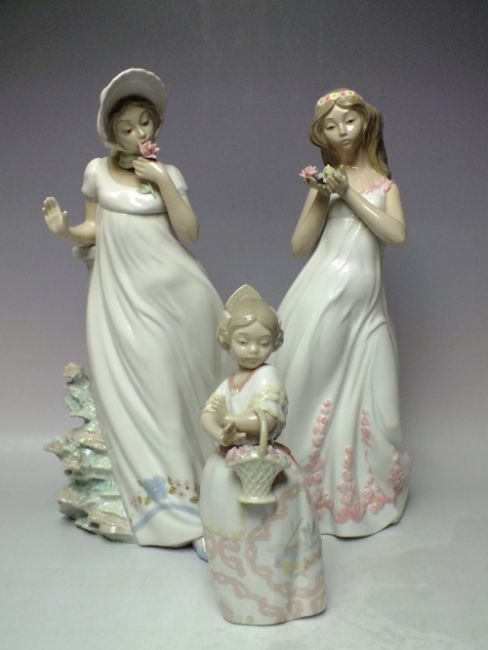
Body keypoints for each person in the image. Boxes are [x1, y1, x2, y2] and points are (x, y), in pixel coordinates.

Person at [43, 68, 227, 552]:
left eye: (145, 123)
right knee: (147, 393)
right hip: (124, 299)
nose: (138, 133)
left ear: (156, 124)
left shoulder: (170, 174)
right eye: (126, 127)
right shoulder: (96, 171)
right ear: (111, 132)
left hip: (177, 295)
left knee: (177, 393)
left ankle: (201, 499)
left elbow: (189, 232)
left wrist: (162, 180)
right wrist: (64, 230)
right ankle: (170, 511)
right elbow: (94, 230)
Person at [274, 89, 410, 537]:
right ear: (322, 136)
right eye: (331, 127)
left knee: (380, 406)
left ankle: (368, 494)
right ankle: (309, 493)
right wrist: (321, 197)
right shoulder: (326, 184)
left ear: (365, 122)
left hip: (367, 309)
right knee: (316, 392)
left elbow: (395, 235)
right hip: (326, 299)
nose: (342, 132)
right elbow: (298, 247)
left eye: (348, 122)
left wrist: (349, 195)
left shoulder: (385, 186)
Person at [200, 285, 326, 625]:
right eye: (243, 341)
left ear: (274, 343)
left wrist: (234, 421)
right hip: (227, 466)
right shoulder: (229, 382)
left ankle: (272, 601)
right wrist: (220, 433)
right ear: (228, 340)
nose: (253, 350)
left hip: (262, 464)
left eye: (263, 342)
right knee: (231, 534)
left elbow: (269, 418)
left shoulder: (268, 376)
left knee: (270, 538)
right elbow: (208, 414)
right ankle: (239, 597)